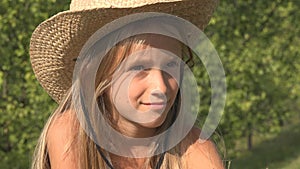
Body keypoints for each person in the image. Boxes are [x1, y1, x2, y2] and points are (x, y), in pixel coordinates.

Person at [30, 0, 225, 169]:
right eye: (139, 67)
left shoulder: (192, 145)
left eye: (171, 64)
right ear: (94, 73)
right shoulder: (72, 134)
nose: (161, 87)